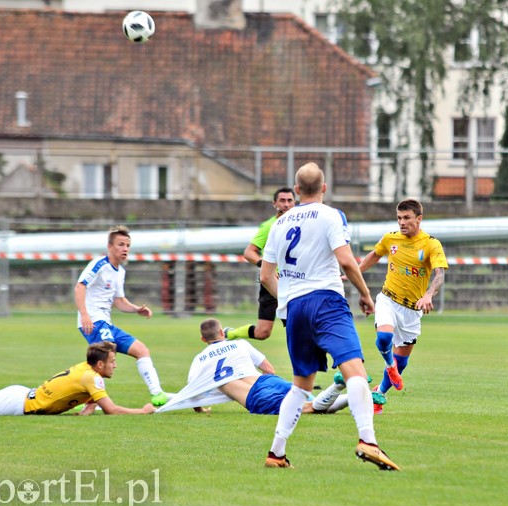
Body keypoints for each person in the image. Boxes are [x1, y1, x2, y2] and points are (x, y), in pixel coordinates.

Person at [259, 161, 401, 470]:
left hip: (294, 308)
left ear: (296, 191)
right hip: (326, 301)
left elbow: (266, 275)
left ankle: (276, 453)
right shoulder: (331, 215)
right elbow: (347, 261)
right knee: (355, 371)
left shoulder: (279, 224)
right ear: (324, 188)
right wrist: (364, 294)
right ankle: (368, 441)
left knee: (301, 385)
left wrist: (286, 299)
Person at [156, 318, 384, 415]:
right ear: (221, 333)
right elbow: (269, 368)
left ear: (203, 339)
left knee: (311, 409)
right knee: (308, 404)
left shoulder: (199, 360)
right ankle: (361, 395)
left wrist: (202, 409)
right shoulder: (240, 344)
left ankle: (339, 388)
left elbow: (194, 391)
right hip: (266, 381)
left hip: (256, 397)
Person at [356, 198, 448, 414]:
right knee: (384, 338)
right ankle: (389, 366)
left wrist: (428, 295)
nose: (402, 222)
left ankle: (379, 393)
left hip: (412, 311)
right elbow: (375, 255)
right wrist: (355, 271)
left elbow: (440, 274)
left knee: (403, 362)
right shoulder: (390, 239)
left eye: (407, 218)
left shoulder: (430, 244)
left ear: (419, 219)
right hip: (388, 299)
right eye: (399, 218)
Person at [74, 225, 171, 406]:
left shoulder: (120, 272)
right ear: (110, 247)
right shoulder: (99, 265)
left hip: (105, 323)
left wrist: (136, 309)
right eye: (120, 244)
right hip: (93, 322)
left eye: (127, 245)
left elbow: (119, 301)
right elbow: (80, 286)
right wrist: (85, 315)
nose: (125, 249)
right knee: (105, 358)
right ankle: (89, 401)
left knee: (141, 350)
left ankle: (157, 395)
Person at [0, 341, 155, 416]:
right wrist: (143, 411)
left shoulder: (86, 370)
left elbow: (92, 400)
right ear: (99, 365)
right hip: (18, 403)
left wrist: (86, 411)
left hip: (22, 395)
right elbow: (111, 410)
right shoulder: (93, 378)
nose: (115, 365)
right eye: (112, 361)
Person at [225, 187, 296, 341]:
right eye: (282, 200)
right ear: (274, 204)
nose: (286, 204)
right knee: (262, 333)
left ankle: (303, 362)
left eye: (290, 200)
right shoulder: (270, 226)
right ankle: (231, 333)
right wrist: (265, 266)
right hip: (270, 281)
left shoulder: (301, 224)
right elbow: (249, 252)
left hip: (293, 281)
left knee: (296, 325)